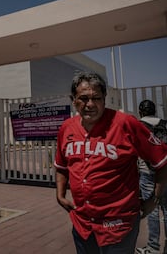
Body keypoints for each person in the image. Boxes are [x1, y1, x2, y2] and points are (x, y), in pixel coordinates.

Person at [54, 71, 167, 254]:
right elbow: (60, 166)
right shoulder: (66, 128)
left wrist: (154, 199)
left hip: (119, 226)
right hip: (83, 225)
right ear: (73, 99)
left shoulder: (126, 124)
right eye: (83, 98)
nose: (90, 104)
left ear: (104, 98)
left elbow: (162, 161)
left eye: (96, 98)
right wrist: (59, 195)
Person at [136, 100, 167, 254]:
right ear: (154, 110)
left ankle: (153, 247)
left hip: (147, 173)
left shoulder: (138, 125)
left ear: (141, 112)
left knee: (152, 210)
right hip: (165, 172)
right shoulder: (165, 124)